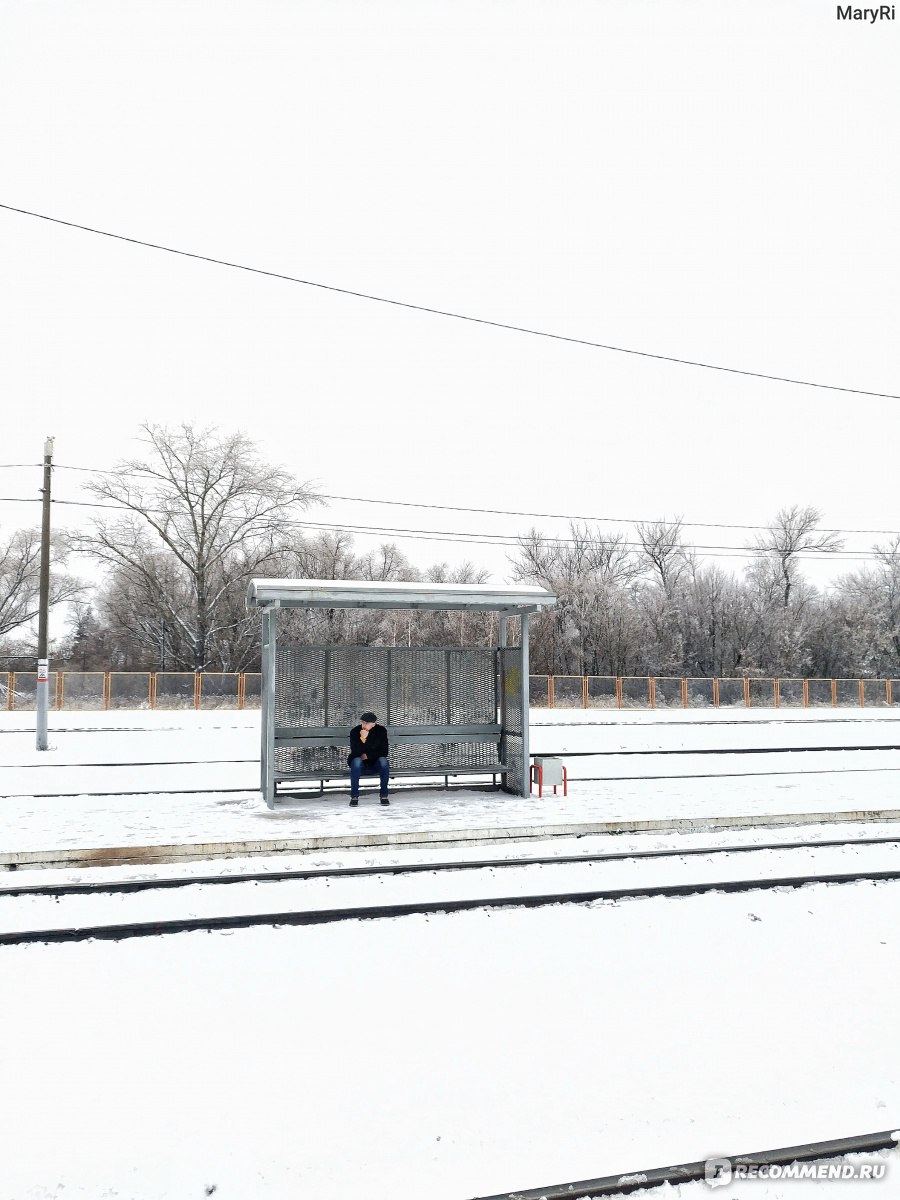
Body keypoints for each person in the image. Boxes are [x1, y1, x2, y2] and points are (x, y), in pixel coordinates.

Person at [347, 711, 390, 806]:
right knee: (356, 761)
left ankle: (384, 795)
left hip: (375, 763)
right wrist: (363, 739)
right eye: (362, 722)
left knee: (383, 761)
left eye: (366, 723)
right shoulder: (355, 731)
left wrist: (368, 755)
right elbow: (355, 751)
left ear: (373, 724)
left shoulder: (381, 731)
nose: (364, 725)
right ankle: (354, 796)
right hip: (360, 765)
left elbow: (384, 751)